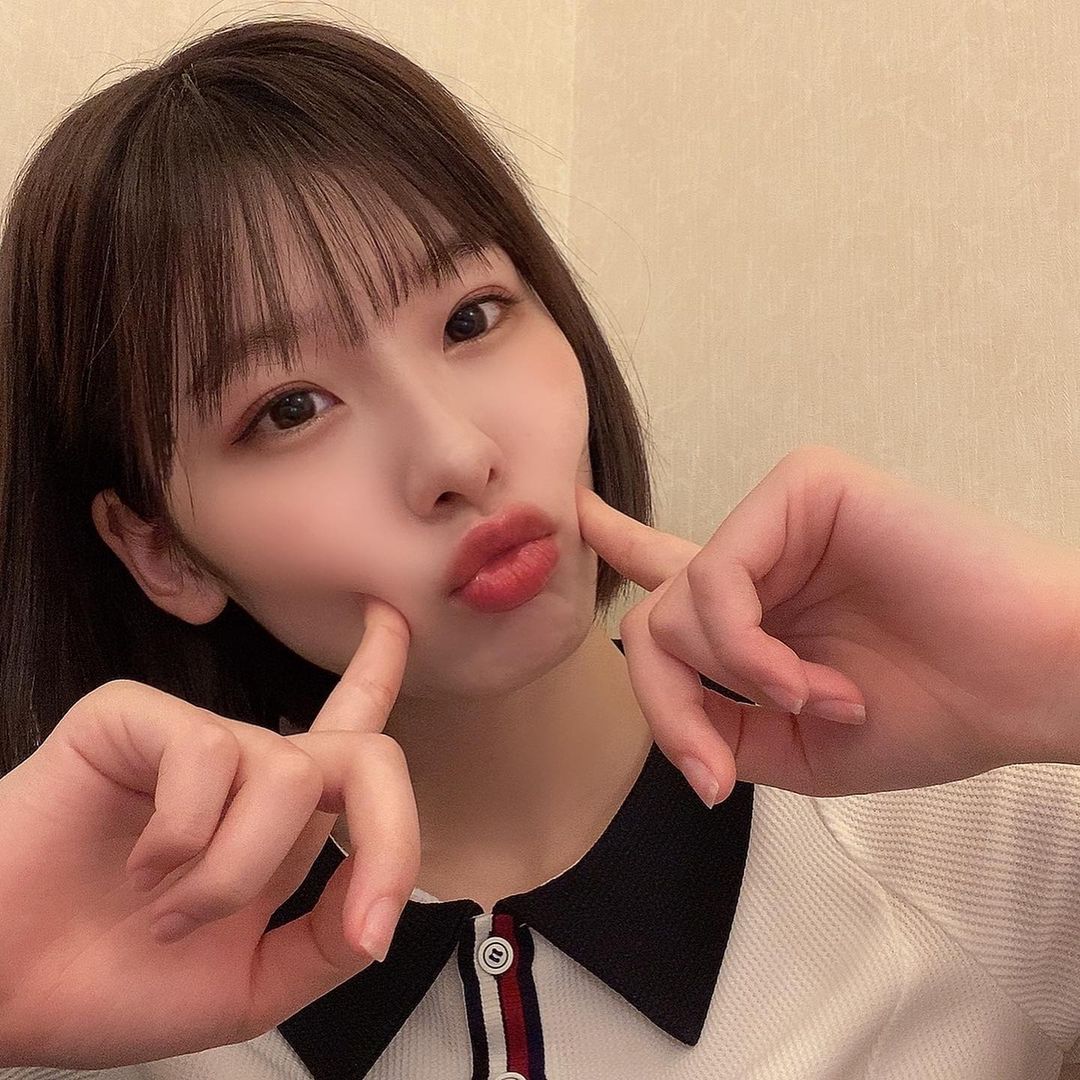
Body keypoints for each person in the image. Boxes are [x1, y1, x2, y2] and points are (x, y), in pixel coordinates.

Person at [1, 15, 1079, 1080]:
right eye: (290, 409)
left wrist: (1055, 664)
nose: (457, 453)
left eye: (472, 318)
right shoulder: (96, 1005)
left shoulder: (966, 826)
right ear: (164, 553)